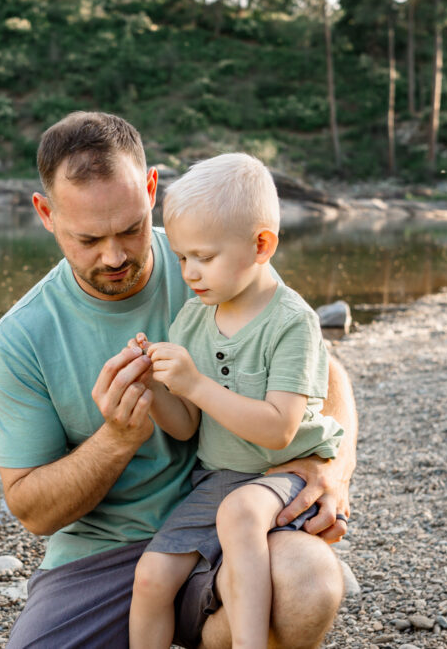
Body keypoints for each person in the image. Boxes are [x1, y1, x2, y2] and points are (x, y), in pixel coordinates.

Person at [0, 111, 358, 648]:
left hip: (238, 519)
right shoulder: (21, 338)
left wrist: (332, 470)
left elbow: (326, 372)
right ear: (46, 212)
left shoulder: (210, 256)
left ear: (151, 188)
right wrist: (116, 439)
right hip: (104, 557)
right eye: (88, 238)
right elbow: (31, 511)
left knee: (308, 584)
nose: (114, 256)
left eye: (130, 229)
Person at [127, 153, 344, 649]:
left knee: (242, 514)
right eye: (182, 258)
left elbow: (279, 430)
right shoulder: (192, 320)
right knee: (150, 579)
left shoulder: (291, 322)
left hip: (284, 470)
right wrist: (156, 387)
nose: (189, 272)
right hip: (218, 477)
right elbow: (186, 427)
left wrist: (198, 384)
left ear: (261, 244)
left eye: (204, 257)